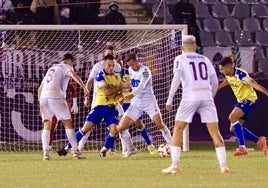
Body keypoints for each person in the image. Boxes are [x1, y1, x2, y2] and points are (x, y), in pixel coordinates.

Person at [162, 35, 229, 174]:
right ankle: (224, 167)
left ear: (182, 48)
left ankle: (174, 165)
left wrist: (169, 99)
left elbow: (176, 79)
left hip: (190, 97)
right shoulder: (204, 59)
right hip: (206, 97)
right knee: (215, 132)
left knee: (178, 129)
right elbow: (215, 81)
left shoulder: (180, 58)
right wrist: (211, 96)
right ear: (196, 46)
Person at [57, 54, 132, 158]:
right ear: (104, 65)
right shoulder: (100, 75)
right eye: (109, 65)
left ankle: (103, 150)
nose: (111, 68)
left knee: (114, 131)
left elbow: (121, 91)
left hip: (111, 108)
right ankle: (67, 148)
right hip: (99, 107)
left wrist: (123, 92)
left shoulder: (117, 76)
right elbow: (107, 92)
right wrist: (120, 88)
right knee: (85, 129)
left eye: (113, 65)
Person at [38, 53, 89, 160]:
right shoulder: (66, 67)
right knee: (67, 123)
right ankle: (76, 151)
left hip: (43, 97)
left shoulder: (51, 69)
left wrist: (40, 105)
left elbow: (39, 89)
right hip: (55, 96)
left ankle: (45, 153)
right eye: (73, 63)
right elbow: (73, 75)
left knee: (47, 124)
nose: (73, 65)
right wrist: (84, 87)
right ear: (70, 61)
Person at [117, 53, 172, 151]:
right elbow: (132, 84)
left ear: (137, 60)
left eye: (133, 64)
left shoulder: (145, 70)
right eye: (130, 65)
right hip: (136, 103)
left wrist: (132, 94)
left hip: (149, 101)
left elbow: (142, 85)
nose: (132, 67)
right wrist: (124, 91)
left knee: (159, 124)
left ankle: (172, 146)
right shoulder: (129, 70)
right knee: (121, 127)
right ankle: (130, 149)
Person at [218, 56, 268, 156]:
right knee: (233, 128)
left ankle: (242, 148)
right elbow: (227, 81)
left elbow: (254, 84)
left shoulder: (240, 74)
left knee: (232, 117)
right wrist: (215, 89)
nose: (221, 71)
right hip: (241, 101)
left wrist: (266, 92)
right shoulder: (229, 75)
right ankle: (259, 140)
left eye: (222, 69)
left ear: (229, 67)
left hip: (249, 100)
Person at [119, 61, 157, 155]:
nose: (118, 65)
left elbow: (136, 85)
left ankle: (149, 144)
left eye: (120, 63)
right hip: (122, 101)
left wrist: (129, 88)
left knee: (138, 123)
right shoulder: (114, 75)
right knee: (121, 125)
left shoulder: (129, 72)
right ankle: (126, 149)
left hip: (133, 100)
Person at [48, 62, 79, 151]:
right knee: (52, 125)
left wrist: (75, 103)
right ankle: (48, 147)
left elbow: (73, 90)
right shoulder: (49, 79)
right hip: (52, 101)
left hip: (62, 101)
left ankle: (73, 148)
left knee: (68, 124)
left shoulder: (63, 77)